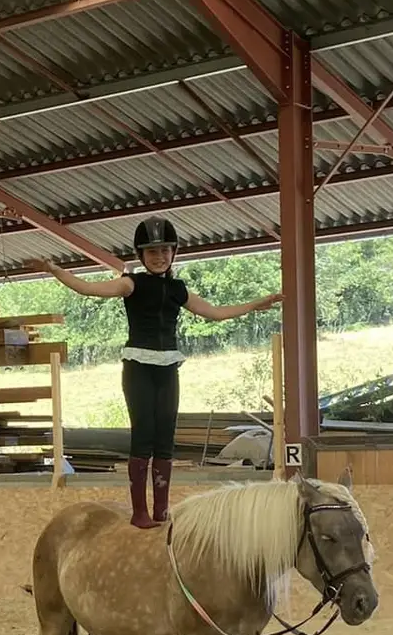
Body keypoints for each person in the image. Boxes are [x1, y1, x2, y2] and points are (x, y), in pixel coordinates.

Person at [26, 217, 281, 528]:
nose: (158, 257)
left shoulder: (178, 289)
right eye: (151, 252)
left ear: (173, 253)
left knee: (165, 439)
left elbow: (215, 313)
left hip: (168, 367)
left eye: (164, 251)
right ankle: (139, 511)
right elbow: (89, 289)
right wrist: (55, 270)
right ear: (141, 256)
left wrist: (254, 305)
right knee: (143, 435)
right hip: (138, 369)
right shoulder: (130, 283)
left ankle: (161, 509)